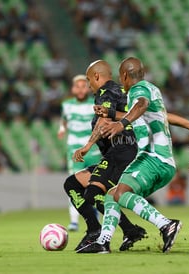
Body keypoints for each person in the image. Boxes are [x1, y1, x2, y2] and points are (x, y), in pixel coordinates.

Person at [77, 57, 189, 253]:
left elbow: (141, 105)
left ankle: (166, 225)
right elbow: (155, 115)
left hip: (153, 158)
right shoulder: (151, 88)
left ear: (124, 76)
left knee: (122, 193)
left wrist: (120, 124)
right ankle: (103, 242)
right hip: (161, 162)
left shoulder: (138, 90)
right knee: (112, 195)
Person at [63, 61, 147, 251]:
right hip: (119, 153)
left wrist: (88, 145)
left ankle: (98, 236)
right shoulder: (119, 90)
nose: (89, 85)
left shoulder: (105, 92)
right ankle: (125, 230)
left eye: (88, 80)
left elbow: (104, 120)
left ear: (97, 77)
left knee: (94, 193)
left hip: (122, 153)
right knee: (73, 184)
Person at [58, 74, 102, 232]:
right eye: (78, 86)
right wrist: (62, 129)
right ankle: (74, 220)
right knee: (73, 184)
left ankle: (96, 217)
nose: (81, 88)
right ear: (73, 88)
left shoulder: (95, 104)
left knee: (95, 184)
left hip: (93, 150)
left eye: (84, 85)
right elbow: (63, 120)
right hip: (74, 150)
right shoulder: (67, 105)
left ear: (88, 88)